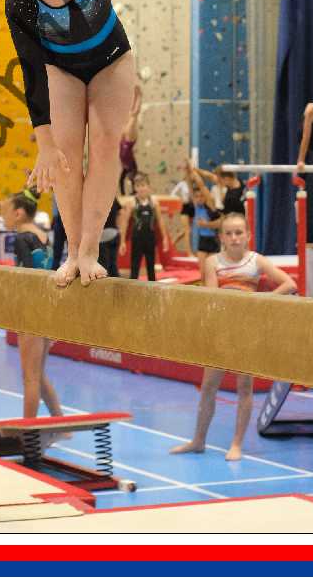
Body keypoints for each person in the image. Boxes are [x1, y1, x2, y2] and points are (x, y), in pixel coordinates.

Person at [4, 0, 237, 288]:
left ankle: (90, 248)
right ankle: (72, 250)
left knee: (106, 142)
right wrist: (45, 145)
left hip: (111, 59)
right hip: (60, 68)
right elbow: (32, 69)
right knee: (65, 156)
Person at [171, 213, 296, 460]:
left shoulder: (256, 261)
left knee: (244, 386)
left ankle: (237, 444)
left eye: (239, 232)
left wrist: (261, 299)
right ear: (221, 238)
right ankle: (198, 440)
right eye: (229, 233)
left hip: (246, 331)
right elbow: (211, 296)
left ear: (248, 235)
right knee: (209, 386)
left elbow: (289, 284)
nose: (234, 237)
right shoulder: (213, 262)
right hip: (222, 330)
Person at [1, 191, 64, 420]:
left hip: (30, 310)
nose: (3, 217)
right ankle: (60, 422)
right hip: (46, 308)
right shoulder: (44, 235)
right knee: (37, 374)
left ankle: (28, 432)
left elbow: (27, 279)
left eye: (5, 212)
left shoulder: (21, 239)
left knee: (30, 377)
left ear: (18, 213)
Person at [120, 172, 162, 281]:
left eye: (143, 185)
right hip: (137, 239)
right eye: (138, 186)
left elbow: (160, 221)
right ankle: (132, 289)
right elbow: (124, 223)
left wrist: (165, 238)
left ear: (148, 186)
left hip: (150, 238)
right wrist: (122, 241)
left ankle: (153, 287)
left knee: (151, 267)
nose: (141, 188)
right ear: (135, 188)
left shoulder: (154, 202)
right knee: (135, 267)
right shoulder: (132, 202)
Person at [181, 174, 222, 265]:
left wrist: (206, 224)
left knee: (212, 269)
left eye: (201, 196)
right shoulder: (197, 207)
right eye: (197, 196)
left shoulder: (211, 206)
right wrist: (188, 170)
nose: (199, 199)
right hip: (202, 241)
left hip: (213, 241)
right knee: (202, 271)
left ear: (206, 196)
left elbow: (202, 186)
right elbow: (190, 187)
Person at [118, 85, 142, 198]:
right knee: (133, 114)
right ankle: (137, 96)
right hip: (127, 143)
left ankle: (138, 96)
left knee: (133, 114)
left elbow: (122, 180)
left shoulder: (127, 168)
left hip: (126, 142)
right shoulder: (132, 167)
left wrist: (138, 96)